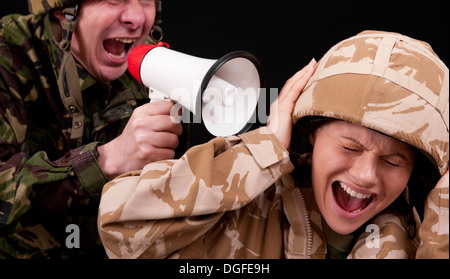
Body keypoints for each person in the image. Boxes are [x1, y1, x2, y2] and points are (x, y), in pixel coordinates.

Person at [98, 30, 449, 259]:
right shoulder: (239, 212)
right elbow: (118, 228)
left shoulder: (423, 240)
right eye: (350, 147)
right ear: (311, 133)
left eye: (392, 160)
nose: (366, 174)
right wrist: (262, 151)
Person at [0, 0, 184, 258]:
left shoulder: (149, 65)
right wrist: (106, 159)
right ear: (64, 9)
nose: (137, 19)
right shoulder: (8, 56)